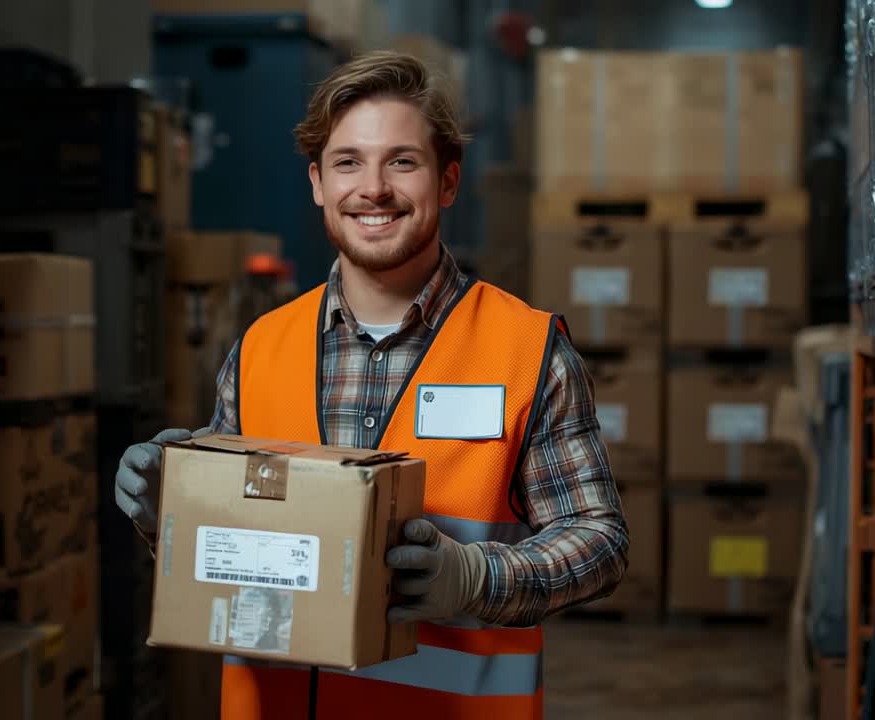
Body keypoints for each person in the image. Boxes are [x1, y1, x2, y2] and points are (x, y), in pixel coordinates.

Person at [115, 50, 629, 719]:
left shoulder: (527, 350)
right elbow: (241, 540)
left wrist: (475, 577)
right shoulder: (261, 347)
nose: (374, 188)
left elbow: (599, 542)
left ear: (448, 181)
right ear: (317, 184)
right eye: (348, 162)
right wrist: (173, 513)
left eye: (402, 161)